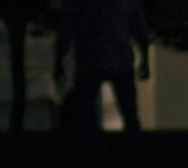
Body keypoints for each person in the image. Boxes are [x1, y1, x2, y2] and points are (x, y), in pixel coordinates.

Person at [53, 0, 149, 132]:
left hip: (91, 60)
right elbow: (139, 28)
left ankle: (79, 138)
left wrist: (58, 62)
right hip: (119, 59)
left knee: (81, 111)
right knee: (129, 113)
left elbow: (66, 31)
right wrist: (145, 60)